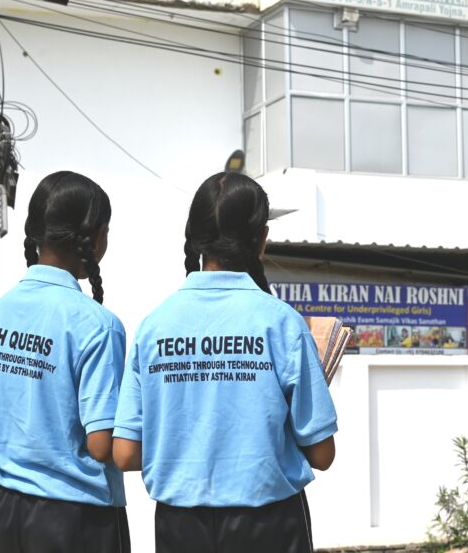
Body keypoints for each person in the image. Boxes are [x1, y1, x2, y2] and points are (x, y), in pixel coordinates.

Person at [112, 172, 337, 553]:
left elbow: (125, 453)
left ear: (194, 239)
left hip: (178, 528)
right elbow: (323, 454)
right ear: (261, 239)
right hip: (270, 526)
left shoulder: (154, 327)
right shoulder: (281, 323)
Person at [0, 171, 129, 553]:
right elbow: (102, 446)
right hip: (75, 520)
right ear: (96, 236)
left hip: (0, 514)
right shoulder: (98, 325)